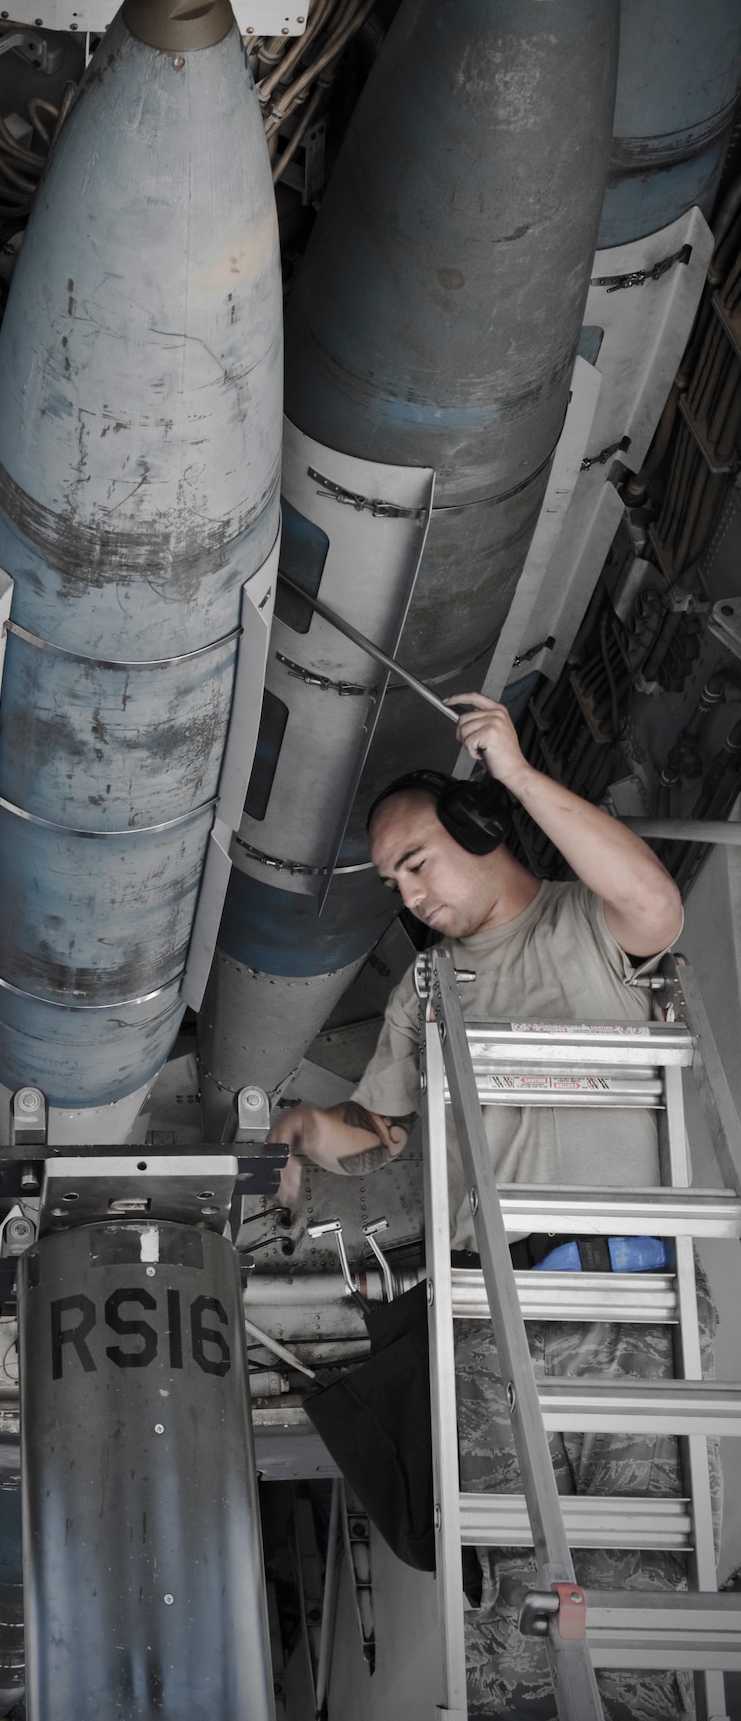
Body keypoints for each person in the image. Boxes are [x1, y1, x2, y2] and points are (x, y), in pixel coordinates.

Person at [270, 691, 704, 1721]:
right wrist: (295, 1126)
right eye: (392, 880)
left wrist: (512, 771)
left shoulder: (578, 921)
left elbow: (657, 905)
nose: (409, 891)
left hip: (624, 1300)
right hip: (488, 1315)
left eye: (418, 859)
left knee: (637, 1565)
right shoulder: (425, 988)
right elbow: (381, 1129)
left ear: (477, 829)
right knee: (512, 1585)